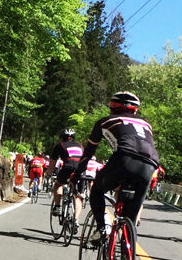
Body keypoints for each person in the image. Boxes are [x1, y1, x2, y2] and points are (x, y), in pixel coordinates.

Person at [74, 91, 159, 240]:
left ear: (112, 107)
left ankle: (103, 227)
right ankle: (127, 257)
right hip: (151, 164)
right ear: (136, 109)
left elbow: (88, 153)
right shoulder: (146, 124)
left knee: (97, 191)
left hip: (124, 157)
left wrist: (76, 176)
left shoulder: (106, 121)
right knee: (130, 220)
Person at [48, 129, 85, 228]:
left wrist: (48, 174)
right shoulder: (81, 146)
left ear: (62, 138)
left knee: (58, 184)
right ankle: (76, 220)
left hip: (68, 168)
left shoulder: (60, 145)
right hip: (81, 170)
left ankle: (57, 207)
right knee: (78, 196)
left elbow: (52, 164)